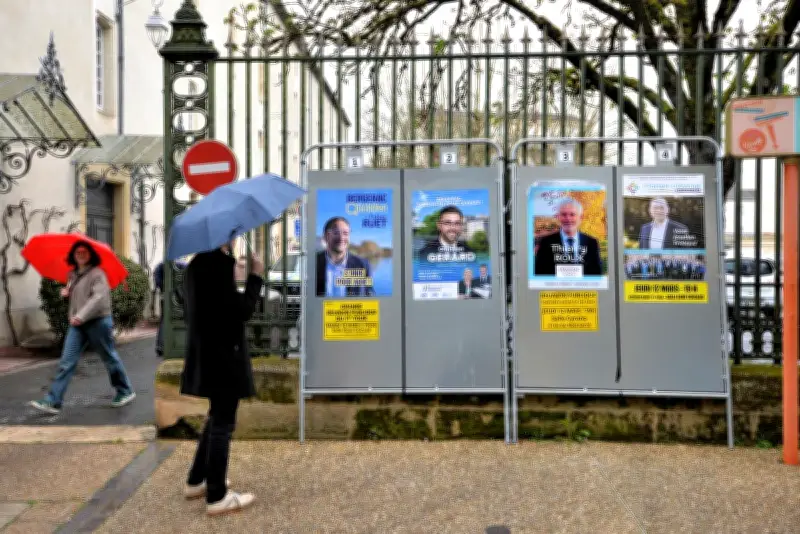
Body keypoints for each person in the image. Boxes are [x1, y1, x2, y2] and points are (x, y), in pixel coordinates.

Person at [180, 243, 264, 516]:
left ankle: (197, 480)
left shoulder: (197, 263)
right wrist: (256, 277)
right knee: (223, 423)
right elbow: (240, 312)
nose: (234, 238)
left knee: (216, 416)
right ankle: (217, 495)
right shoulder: (217, 264)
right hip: (224, 356)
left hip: (207, 353)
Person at [29, 240, 136, 415]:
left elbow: (98, 297)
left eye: (84, 252)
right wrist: (66, 293)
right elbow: (80, 296)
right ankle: (53, 400)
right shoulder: (72, 274)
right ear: (73, 255)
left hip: (98, 321)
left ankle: (125, 390)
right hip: (77, 324)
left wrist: (81, 316)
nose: (81, 254)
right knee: (66, 361)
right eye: (77, 252)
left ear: (90, 254)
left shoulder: (98, 273)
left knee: (108, 357)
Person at [534, 197, 603, 276]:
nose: (568, 219)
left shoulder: (592, 243)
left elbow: (596, 273)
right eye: (564, 214)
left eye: (572, 214)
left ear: (580, 217)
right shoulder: (546, 242)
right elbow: (540, 273)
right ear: (558, 217)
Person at [315, 216, 374, 297]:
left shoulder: (363, 264)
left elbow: (369, 295)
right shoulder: (312, 263)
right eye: (336, 233)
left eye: (345, 233)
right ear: (326, 236)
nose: (341, 238)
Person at [154, 259, 186, 357]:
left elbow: (157, 280)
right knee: (180, 319)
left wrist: (163, 287)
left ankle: (161, 345)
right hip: (179, 298)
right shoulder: (183, 264)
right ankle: (179, 344)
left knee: (164, 320)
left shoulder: (161, 265)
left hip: (166, 297)